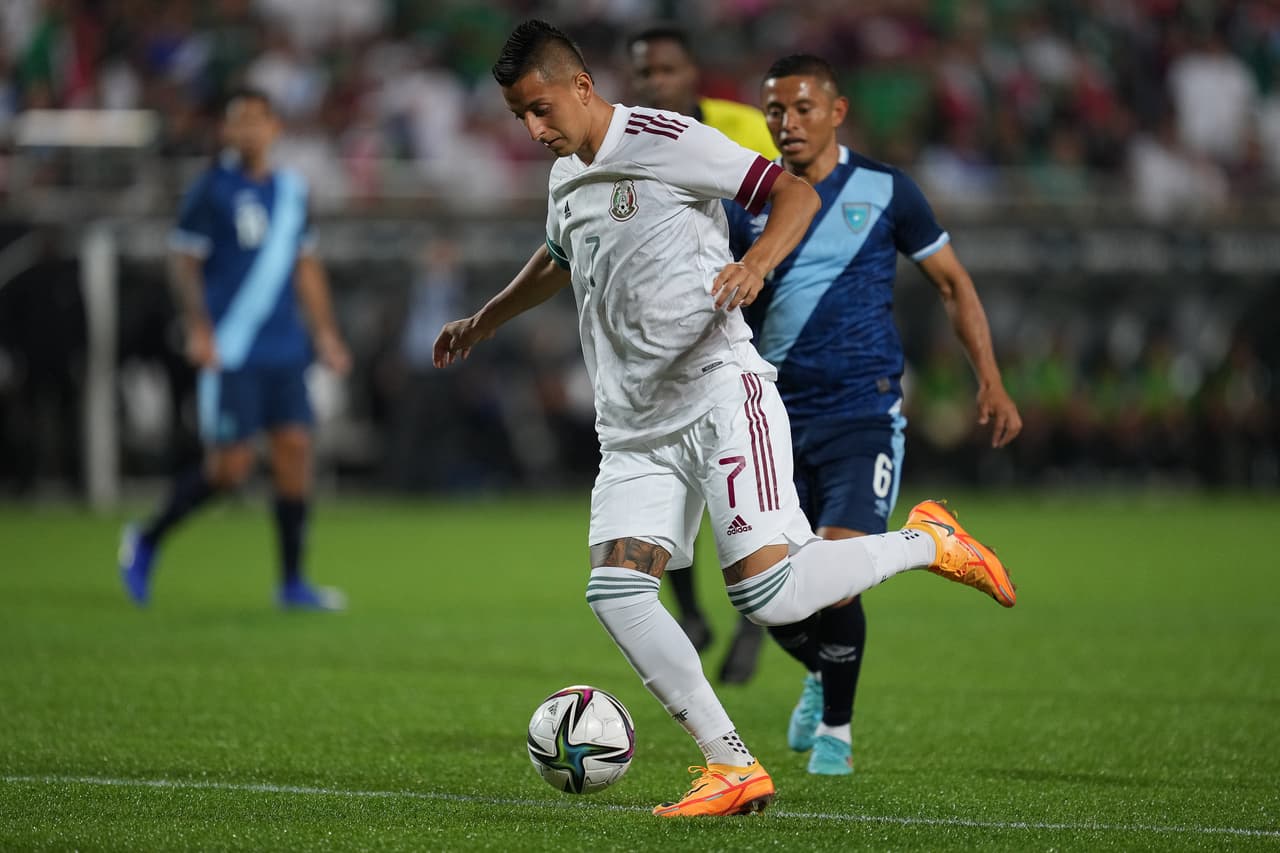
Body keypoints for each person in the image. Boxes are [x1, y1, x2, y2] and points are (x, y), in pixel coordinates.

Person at [434, 20, 1016, 818]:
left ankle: (929, 541)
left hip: (717, 393)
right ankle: (730, 764)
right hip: (632, 426)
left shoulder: (666, 138)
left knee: (769, 595)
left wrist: (756, 262)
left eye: (540, 109)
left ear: (581, 86)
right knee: (616, 592)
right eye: (518, 117)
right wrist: (484, 319)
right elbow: (558, 255)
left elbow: (793, 193)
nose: (533, 130)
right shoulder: (566, 173)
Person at [724, 54, 1023, 776]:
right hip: (769, 419)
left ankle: (837, 729)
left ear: (837, 111)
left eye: (802, 108)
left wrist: (989, 377)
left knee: (839, 571)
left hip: (863, 411)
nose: (787, 122)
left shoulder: (887, 190)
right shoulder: (747, 204)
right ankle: (821, 673)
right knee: (768, 596)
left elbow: (952, 283)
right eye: (774, 110)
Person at [118, 88, 351, 611]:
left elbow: (306, 267)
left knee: (294, 453)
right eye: (238, 122)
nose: (247, 131)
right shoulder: (211, 188)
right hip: (233, 347)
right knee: (231, 469)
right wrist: (198, 329)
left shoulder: (290, 191)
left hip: (285, 346)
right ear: (226, 131)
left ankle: (292, 582)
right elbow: (186, 263)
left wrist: (326, 333)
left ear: (273, 128)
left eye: (256, 121)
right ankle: (147, 537)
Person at [625, 23, 776, 683]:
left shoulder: (743, 129)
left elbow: (784, 209)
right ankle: (690, 613)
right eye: (644, 72)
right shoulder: (629, 141)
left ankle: (752, 619)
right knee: (672, 478)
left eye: (666, 69)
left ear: (692, 74)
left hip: (752, 322)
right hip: (667, 338)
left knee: (737, 482)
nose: (655, 82)